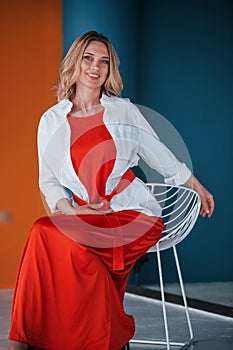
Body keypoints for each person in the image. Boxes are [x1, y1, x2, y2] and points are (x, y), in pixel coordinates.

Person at [8, 31, 214, 350]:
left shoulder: (123, 111)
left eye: (104, 61)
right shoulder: (51, 120)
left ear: (110, 70)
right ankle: (48, 337)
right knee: (48, 234)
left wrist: (195, 185)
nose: (96, 66)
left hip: (135, 215)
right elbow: (47, 180)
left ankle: (60, 340)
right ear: (75, 63)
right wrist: (70, 209)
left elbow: (158, 154)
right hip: (88, 216)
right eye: (88, 58)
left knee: (56, 237)